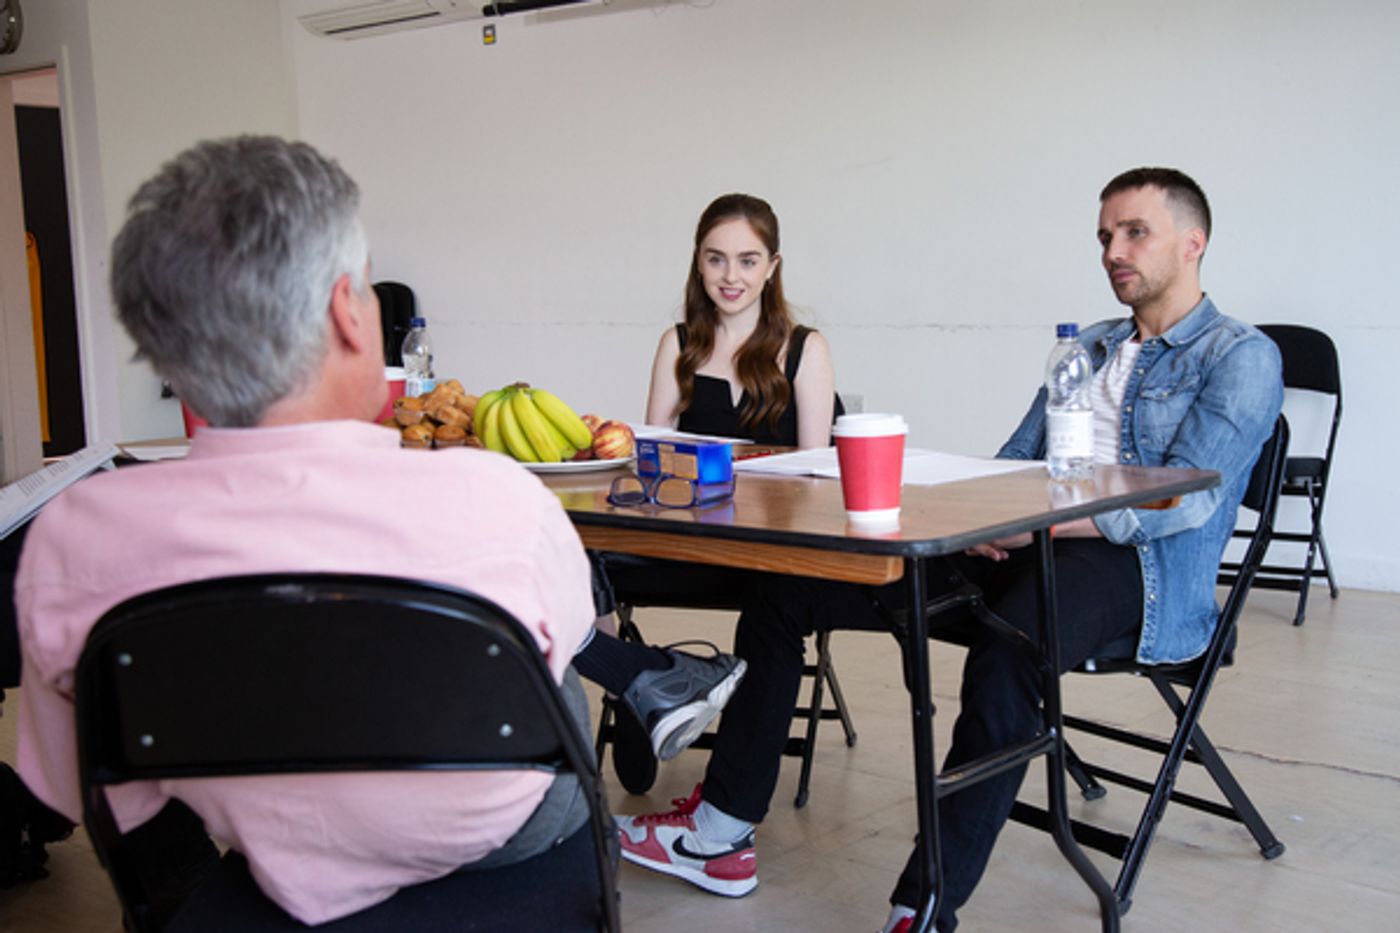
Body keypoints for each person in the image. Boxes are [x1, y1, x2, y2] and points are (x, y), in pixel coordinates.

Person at [613, 168, 1284, 931]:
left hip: (1134, 570)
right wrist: (981, 513)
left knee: (1007, 655)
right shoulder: (1089, 346)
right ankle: (720, 832)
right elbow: (1013, 457)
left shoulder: (1241, 355)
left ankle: (924, 903)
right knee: (786, 586)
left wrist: (1038, 524)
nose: (1113, 251)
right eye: (1105, 236)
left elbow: (1180, 499)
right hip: (1026, 546)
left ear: (1193, 243)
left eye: (1135, 233)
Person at [13, 135, 605, 927]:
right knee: (557, 668)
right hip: (498, 843)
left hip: (249, 846)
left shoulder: (73, 536)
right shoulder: (499, 497)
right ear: (345, 314)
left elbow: (80, 785)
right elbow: (569, 645)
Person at [573, 193, 840, 762]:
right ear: (698, 262)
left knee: (780, 604)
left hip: (768, 548)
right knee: (571, 549)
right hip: (691, 537)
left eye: (748, 260)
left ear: (772, 267)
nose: (731, 275)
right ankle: (639, 682)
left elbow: (817, 474)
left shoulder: (805, 350)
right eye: (716, 258)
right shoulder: (679, 344)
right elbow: (648, 452)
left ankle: (648, 691)